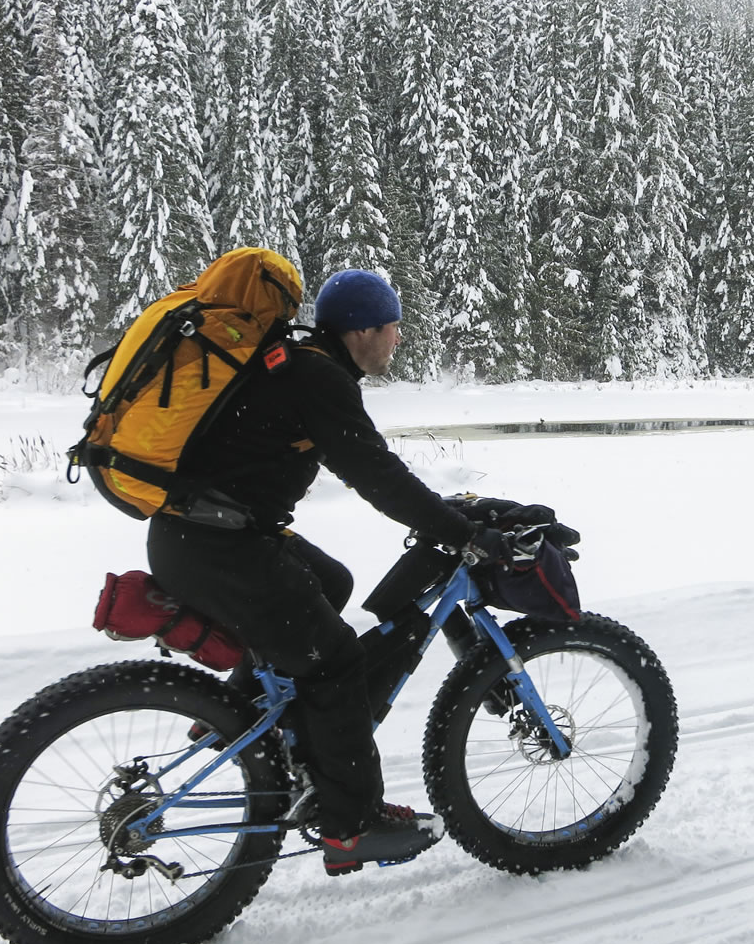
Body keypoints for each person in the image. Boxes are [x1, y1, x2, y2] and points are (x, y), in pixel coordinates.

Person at [146, 268, 504, 876]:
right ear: (361, 329)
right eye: (391, 328)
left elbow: (363, 466)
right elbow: (374, 473)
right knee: (336, 661)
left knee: (330, 582)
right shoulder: (318, 376)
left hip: (202, 533)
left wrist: (444, 518)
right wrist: (463, 534)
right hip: (217, 544)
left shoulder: (297, 360)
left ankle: (242, 720)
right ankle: (349, 825)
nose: (396, 340)